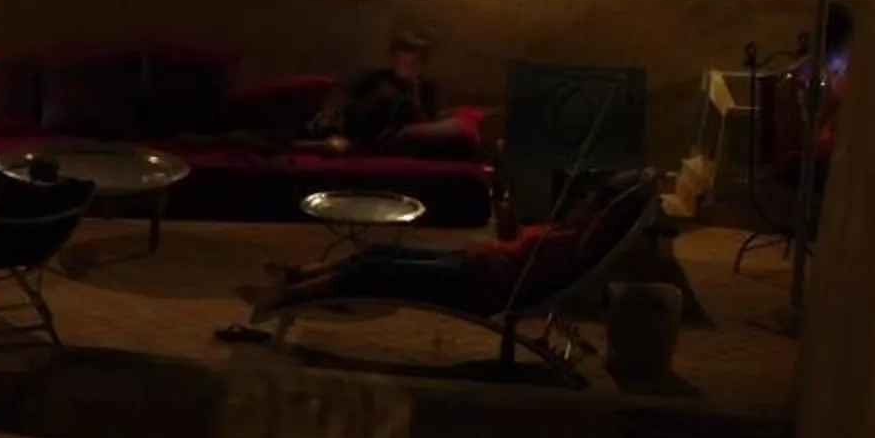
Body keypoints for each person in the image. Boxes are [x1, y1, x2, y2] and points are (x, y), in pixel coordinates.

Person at [238, 169, 653, 321]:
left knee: (374, 274)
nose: (577, 204)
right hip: (472, 263)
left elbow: (519, 275)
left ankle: (283, 297)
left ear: (594, 215)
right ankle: (297, 276)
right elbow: (515, 250)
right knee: (377, 252)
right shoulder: (565, 235)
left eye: (586, 203)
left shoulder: (572, 248)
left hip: (475, 284)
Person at [307, 28, 460, 152]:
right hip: (354, 130)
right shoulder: (376, 78)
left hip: (387, 140)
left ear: (422, 63)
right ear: (393, 58)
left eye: (412, 63)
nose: (405, 67)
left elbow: (426, 127)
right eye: (400, 61)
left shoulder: (427, 88)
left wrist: (414, 94)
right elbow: (344, 100)